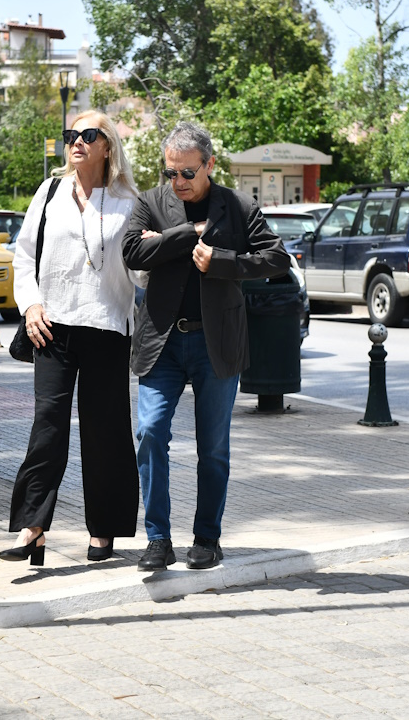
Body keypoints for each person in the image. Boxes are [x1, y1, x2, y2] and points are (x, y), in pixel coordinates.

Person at [122, 121, 290, 572]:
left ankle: (207, 538)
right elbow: (132, 253)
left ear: (209, 164)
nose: (177, 181)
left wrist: (223, 261)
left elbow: (277, 258)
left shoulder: (238, 206)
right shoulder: (150, 203)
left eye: (187, 173)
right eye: (170, 172)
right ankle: (158, 539)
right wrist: (187, 233)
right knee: (150, 432)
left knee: (212, 446)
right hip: (161, 342)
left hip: (216, 343)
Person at [1, 110, 141, 565]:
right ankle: (33, 528)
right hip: (52, 327)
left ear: (107, 146)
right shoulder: (50, 191)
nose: (76, 141)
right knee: (47, 427)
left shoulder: (128, 201)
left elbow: (139, 269)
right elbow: (24, 257)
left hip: (107, 326)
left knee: (106, 432)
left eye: (88, 134)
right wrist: (31, 305)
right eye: (71, 135)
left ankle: (104, 529)